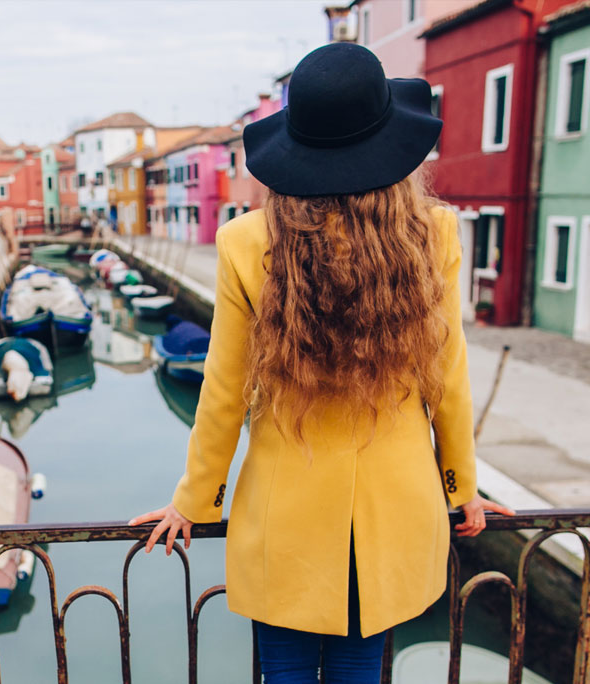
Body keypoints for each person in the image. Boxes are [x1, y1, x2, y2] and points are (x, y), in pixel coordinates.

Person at [129, 43, 514, 683]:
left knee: (282, 674)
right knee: (360, 673)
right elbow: (448, 380)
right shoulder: (436, 236)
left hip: (285, 523)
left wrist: (193, 504)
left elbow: (223, 392)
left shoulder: (244, 243)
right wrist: (460, 486)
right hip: (397, 514)